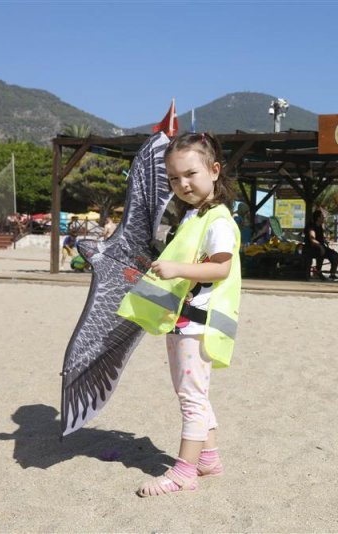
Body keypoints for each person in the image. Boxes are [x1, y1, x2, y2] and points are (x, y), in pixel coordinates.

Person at [134, 132, 241, 496]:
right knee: (191, 391)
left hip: (198, 322)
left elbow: (220, 269)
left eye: (190, 174)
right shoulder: (197, 215)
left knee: (191, 398)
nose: (182, 184)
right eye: (174, 178)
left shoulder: (218, 221)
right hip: (184, 320)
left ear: (214, 170)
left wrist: (178, 268)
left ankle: (184, 472)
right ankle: (208, 458)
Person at [304, 209, 338, 280]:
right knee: (321, 253)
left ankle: (332, 274)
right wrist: (320, 246)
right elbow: (312, 239)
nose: (324, 218)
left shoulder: (320, 226)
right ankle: (317, 271)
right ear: (318, 218)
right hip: (312, 248)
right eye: (322, 216)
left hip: (321, 247)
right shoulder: (312, 226)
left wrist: (325, 243)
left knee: (335, 255)